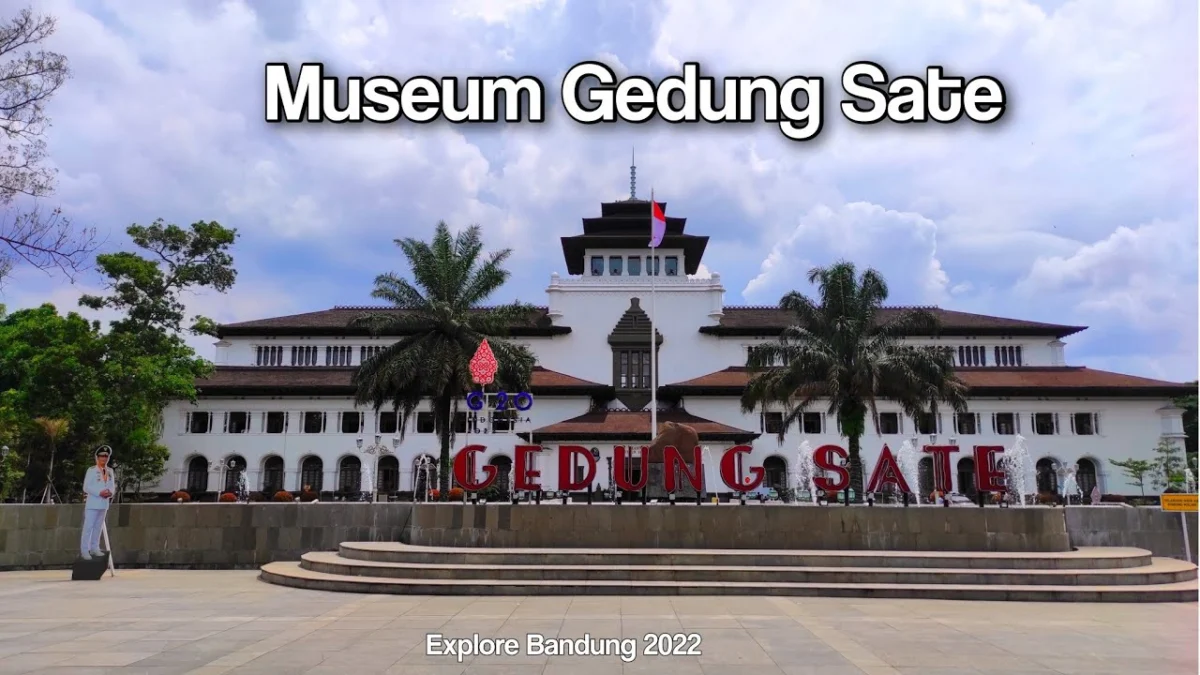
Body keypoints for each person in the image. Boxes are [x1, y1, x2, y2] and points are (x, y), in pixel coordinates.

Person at [81, 448, 116, 560]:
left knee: (98, 527)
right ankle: (84, 550)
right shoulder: (91, 470)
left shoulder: (110, 471)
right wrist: (99, 492)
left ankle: (94, 547)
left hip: (104, 503)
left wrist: (110, 493)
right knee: (88, 527)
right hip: (93, 503)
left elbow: (112, 486)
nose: (104, 458)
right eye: (101, 456)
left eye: (106, 456)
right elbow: (86, 487)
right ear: (97, 457)